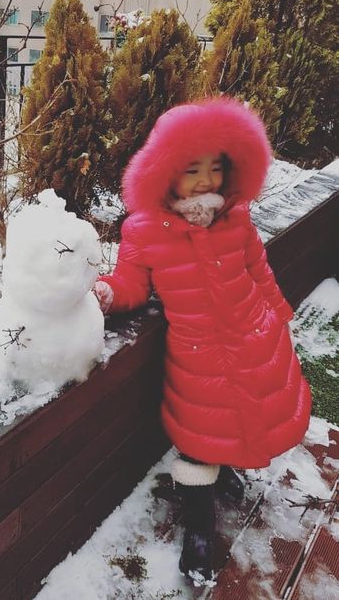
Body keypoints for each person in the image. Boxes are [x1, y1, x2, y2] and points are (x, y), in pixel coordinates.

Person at [93, 98, 312, 584]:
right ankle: (198, 527)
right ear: (165, 173)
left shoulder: (236, 218)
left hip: (253, 338)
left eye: (215, 168)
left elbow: (258, 270)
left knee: (244, 419)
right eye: (192, 169)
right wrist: (108, 292)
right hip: (199, 355)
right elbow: (133, 282)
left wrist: (279, 316)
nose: (206, 180)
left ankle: (228, 468)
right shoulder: (143, 229)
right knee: (200, 437)